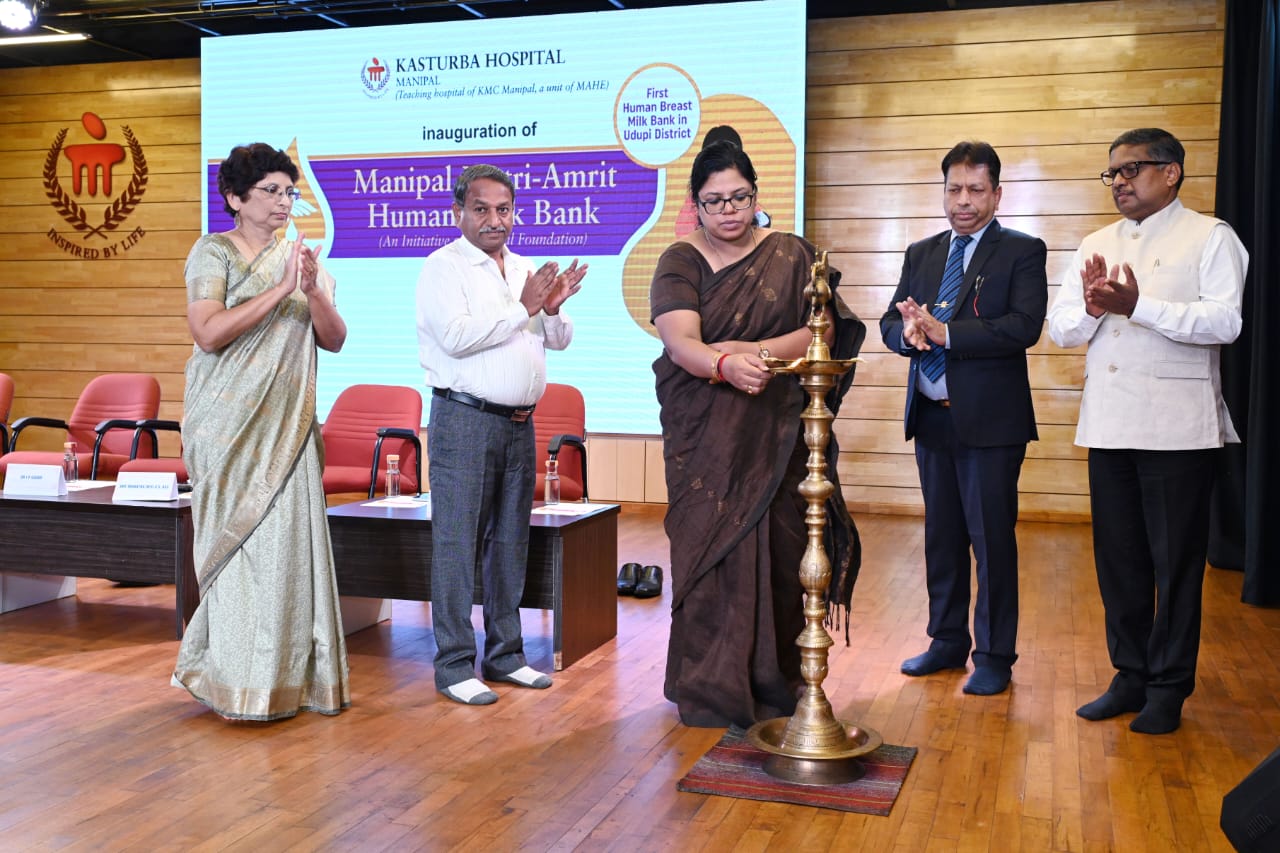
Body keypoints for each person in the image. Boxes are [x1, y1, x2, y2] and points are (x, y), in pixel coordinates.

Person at [651, 138, 864, 729]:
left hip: (777, 433)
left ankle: (777, 683)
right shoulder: (679, 261)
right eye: (714, 200)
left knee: (781, 553)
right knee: (710, 555)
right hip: (705, 440)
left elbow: (822, 331)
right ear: (695, 204)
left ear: (756, 195)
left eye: (739, 197)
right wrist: (723, 365)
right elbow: (681, 343)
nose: (728, 210)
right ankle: (711, 690)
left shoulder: (792, 254)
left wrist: (750, 352)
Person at [1048, 128, 1247, 734]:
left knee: (1176, 567)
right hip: (1110, 424)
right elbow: (1060, 329)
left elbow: (1225, 322)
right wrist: (1091, 307)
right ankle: (1129, 675)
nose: (1120, 182)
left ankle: (1168, 687)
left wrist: (1139, 307)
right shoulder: (1096, 242)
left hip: (1178, 432)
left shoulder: (1211, 236)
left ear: (1171, 172)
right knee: (1120, 562)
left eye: (1132, 169)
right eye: (1113, 173)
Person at [172, 142, 350, 720]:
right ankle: (231, 681)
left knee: (283, 555)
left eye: (289, 191)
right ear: (234, 198)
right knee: (236, 554)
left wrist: (312, 290)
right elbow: (208, 332)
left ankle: (286, 682)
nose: (283, 201)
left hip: (286, 430)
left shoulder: (301, 260)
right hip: (226, 431)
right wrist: (281, 291)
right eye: (270, 191)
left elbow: (334, 339)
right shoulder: (213, 252)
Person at [879, 141, 1047, 697]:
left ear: (997, 194)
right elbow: (888, 320)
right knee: (942, 538)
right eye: (954, 189)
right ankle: (947, 641)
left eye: (976, 190)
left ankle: (994, 656)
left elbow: (1023, 326)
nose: (963, 201)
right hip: (932, 417)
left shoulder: (1022, 251)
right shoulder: (922, 252)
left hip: (991, 425)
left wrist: (947, 333)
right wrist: (908, 333)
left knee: (990, 541)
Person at [417, 164, 588, 706]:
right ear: (459, 213)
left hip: (519, 424)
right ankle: (453, 664)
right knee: (457, 541)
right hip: (464, 419)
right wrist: (524, 308)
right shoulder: (443, 267)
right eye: (482, 209)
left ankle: (505, 654)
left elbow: (555, 340)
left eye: (504, 209)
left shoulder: (523, 267)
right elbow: (456, 337)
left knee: (510, 541)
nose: (495, 219)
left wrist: (551, 310)